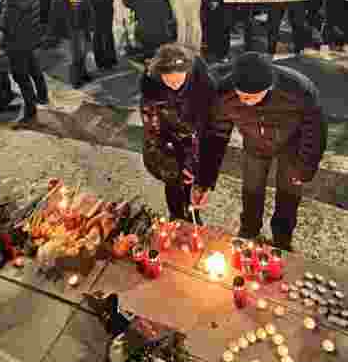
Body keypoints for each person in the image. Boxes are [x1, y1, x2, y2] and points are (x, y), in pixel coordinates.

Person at [200, 52, 326, 251]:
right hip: (254, 142)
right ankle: (249, 230)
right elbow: (217, 134)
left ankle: (282, 239)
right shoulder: (225, 93)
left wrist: (305, 167)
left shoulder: (298, 90)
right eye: (240, 95)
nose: (243, 101)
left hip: (292, 144)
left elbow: (315, 131)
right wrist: (205, 179)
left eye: (250, 97)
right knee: (252, 188)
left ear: (268, 88)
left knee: (288, 194)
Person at [139, 44, 216, 221]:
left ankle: (193, 214)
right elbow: (153, 132)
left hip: (192, 141)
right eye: (170, 81)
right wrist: (173, 165)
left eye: (179, 80)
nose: (175, 85)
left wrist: (197, 164)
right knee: (173, 182)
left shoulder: (203, 85)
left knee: (192, 182)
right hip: (167, 145)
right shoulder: (152, 90)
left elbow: (210, 125)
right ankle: (175, 215)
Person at [0, 0, 49, 122]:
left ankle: (30, 110)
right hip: (29, 37)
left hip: (16, 41)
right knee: (34, 69)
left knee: (21, 76)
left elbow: (6, 22)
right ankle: (43, 96)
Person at [52, 0, 95, 87]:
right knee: (74, 53)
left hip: (81, 19)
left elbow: (86, 0)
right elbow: (58, 4)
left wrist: (89, 17)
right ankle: (76, 79)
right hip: (69, 22)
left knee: (82, 50)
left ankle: (83, 73)